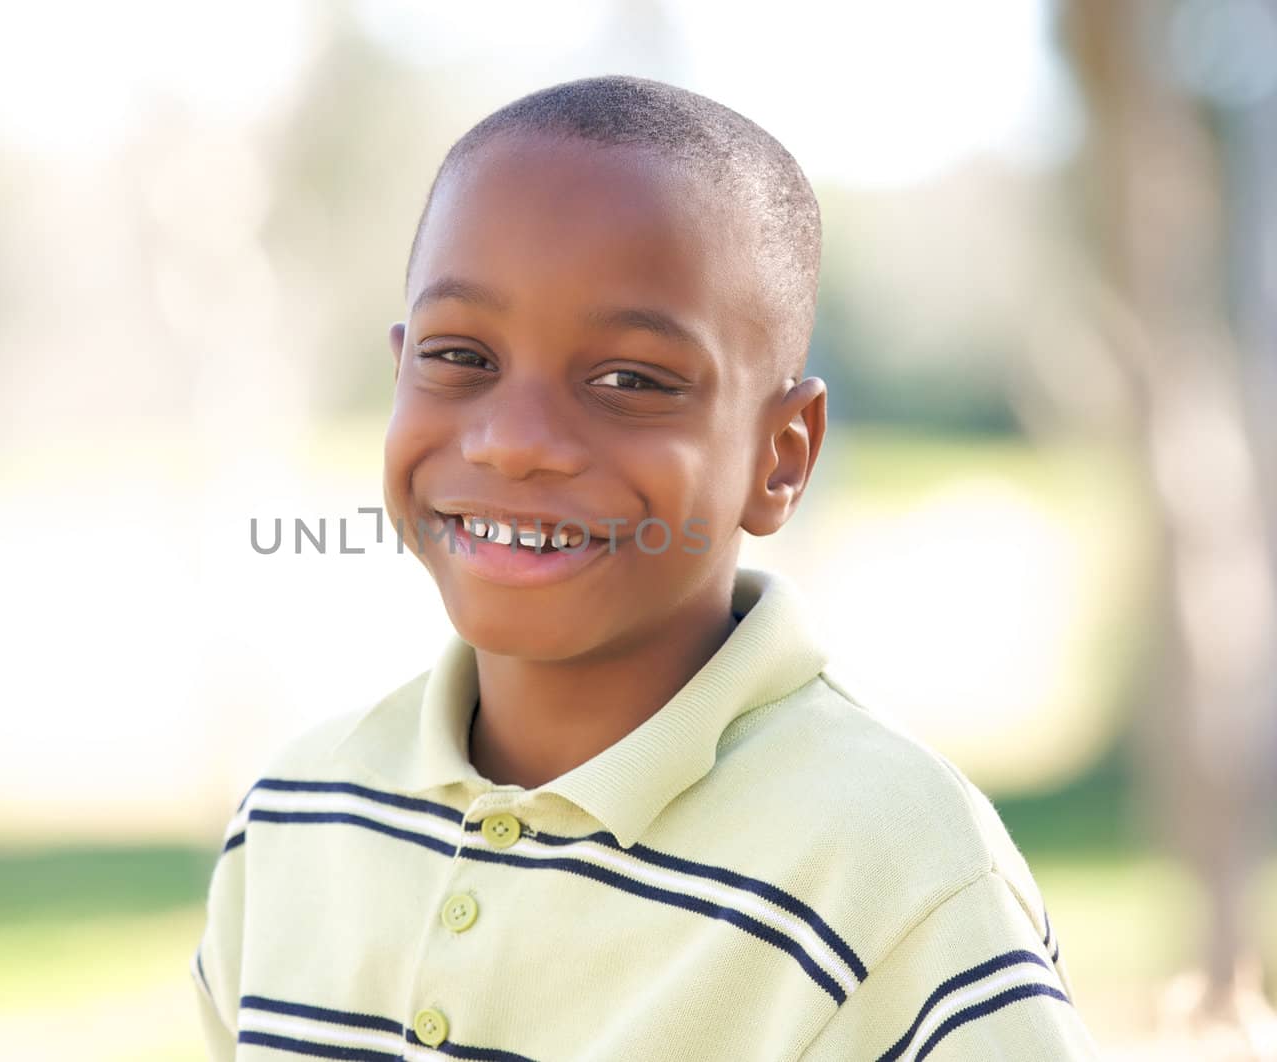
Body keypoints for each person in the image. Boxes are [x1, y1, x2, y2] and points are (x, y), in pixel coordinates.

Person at [191, 74, 1101, 1060]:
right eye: (461, 358)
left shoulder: (896, 873)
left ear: (781, 454)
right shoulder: (295, 815)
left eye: (629, 381)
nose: (513, 443)